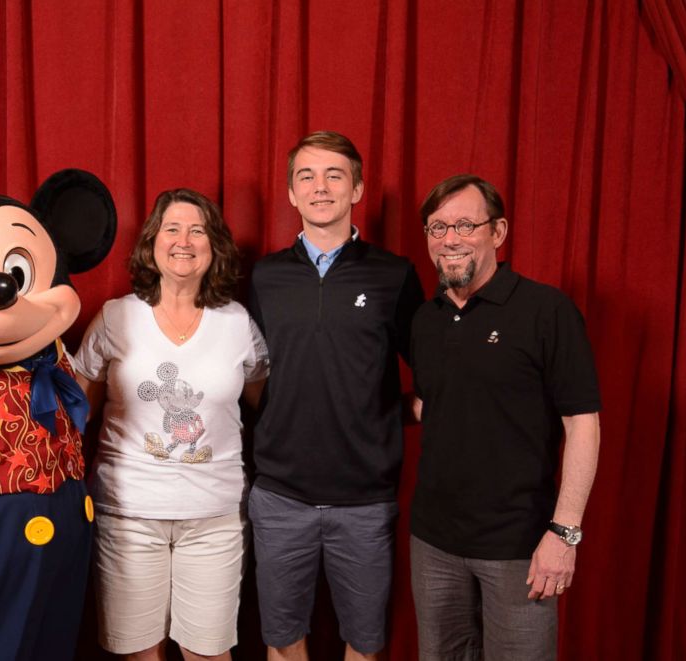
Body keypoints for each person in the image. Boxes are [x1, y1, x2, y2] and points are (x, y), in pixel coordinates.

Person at [246, 131, 425, 660]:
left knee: (365, 645)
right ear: (291, 195)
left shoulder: (394, 275)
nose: (319, 187)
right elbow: (246, 376)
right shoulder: (264, 276)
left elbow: (436, 371)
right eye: (306, 176)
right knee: (282, 641)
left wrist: (397, 415)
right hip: (280, 496)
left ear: (358, 189)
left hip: (365, 501)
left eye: (334, 176)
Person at [408, 174, 601, 660]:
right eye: (437, 228)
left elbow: (582, 423)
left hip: (521, 546)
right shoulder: (424, 319)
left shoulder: (545, 311)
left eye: (465, 225)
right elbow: (437, 402)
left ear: (498, 232)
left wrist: (564, 532)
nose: (450, 239)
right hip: (433, 543)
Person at [73, 188, 268, 661]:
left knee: (208, 653)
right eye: (172, 228)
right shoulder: (117, 317)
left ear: (214, 245)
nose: (184, 240)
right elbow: (77, 408)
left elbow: (264, 402)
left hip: (215, 517)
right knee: (141, 653)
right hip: (129, 512)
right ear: (152, 243)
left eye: (197, 230)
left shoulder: (237, 322)